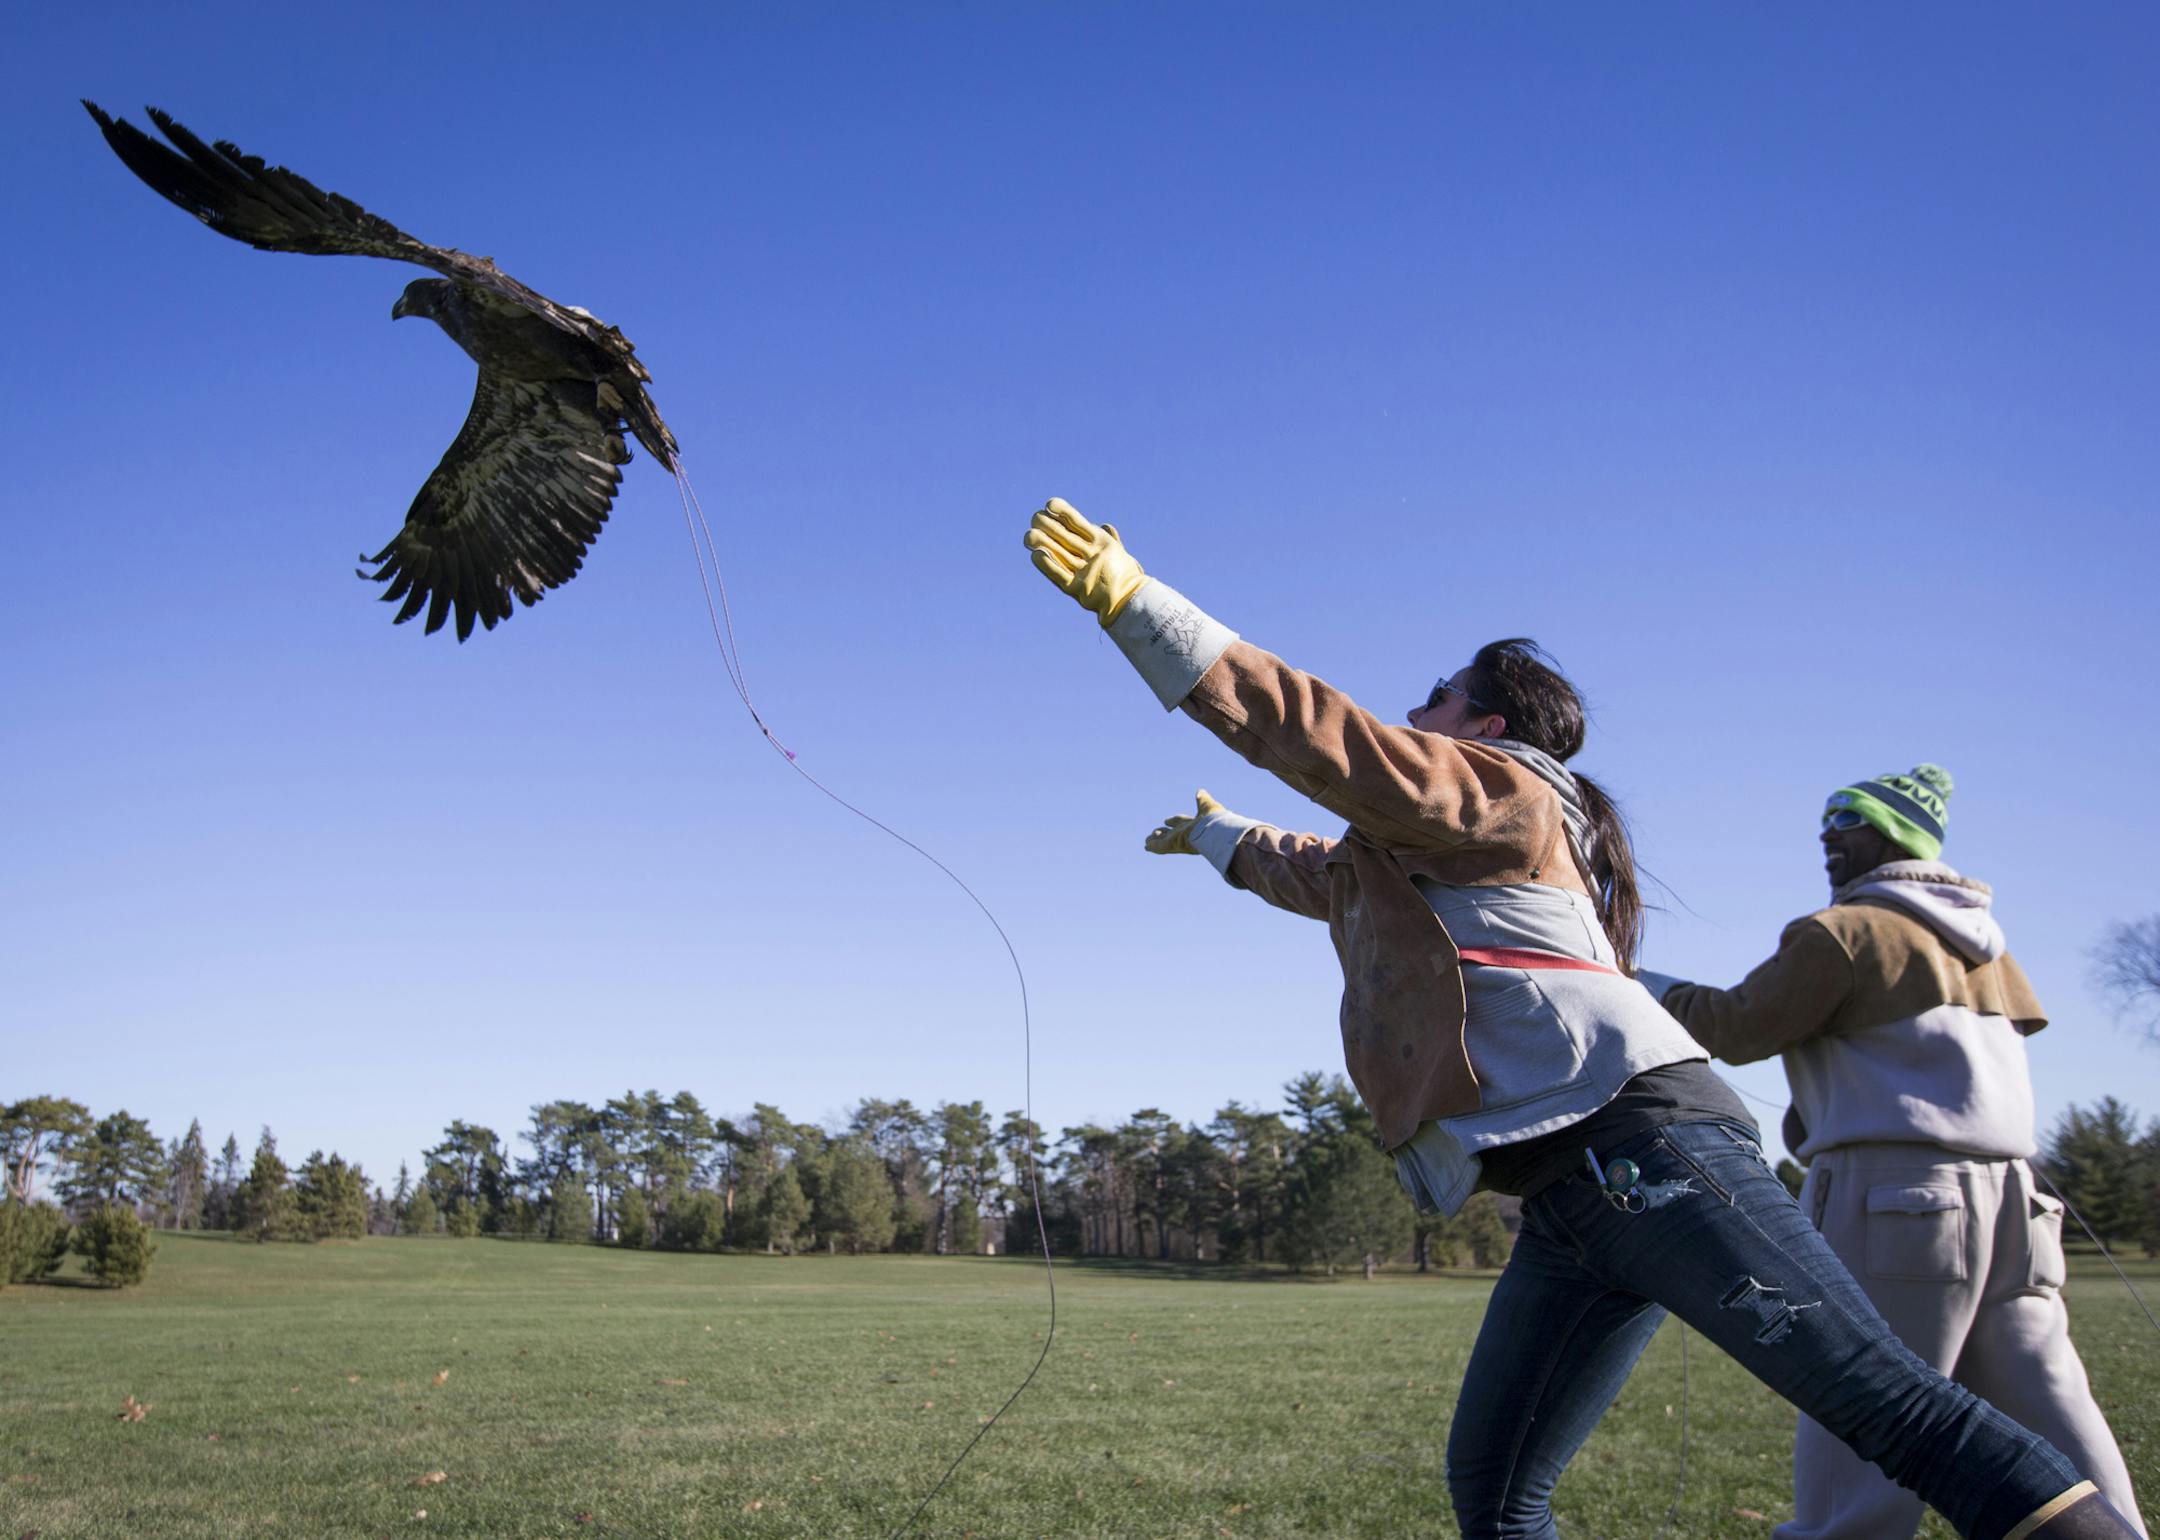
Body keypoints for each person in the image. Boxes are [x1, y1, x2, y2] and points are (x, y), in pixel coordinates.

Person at [1022, 497, 2139, 1539]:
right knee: (1497, 1489)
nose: (1418, 713)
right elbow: (1329, 875)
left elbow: (1335, 742)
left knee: (1896, 1412)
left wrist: (1141, 607)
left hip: (1647, 1147)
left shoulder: (1506, 788)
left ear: (1491, 724)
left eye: (1439, 699)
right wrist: (1222, 841)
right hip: (1564, 1195)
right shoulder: (1426, 850)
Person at [1642, 766, 2146, 1540]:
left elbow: (1736, 1028)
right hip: (2019, 1202)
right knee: (2047, 1398)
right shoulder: (1993, 952)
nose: (1826, 835)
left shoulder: (1843, 931)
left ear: (1896, 836)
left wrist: (1641, 984)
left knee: (1864, 1399)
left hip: (1897, 1198)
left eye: (1846, 819)